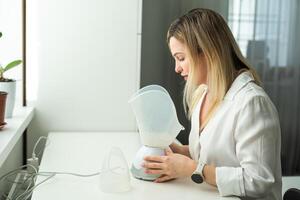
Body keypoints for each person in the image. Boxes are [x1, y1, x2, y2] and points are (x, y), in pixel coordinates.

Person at [142, 8, 282, 200]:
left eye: (181, 58)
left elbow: (258, 181)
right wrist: (178, 152)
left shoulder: (252, 103)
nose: (177, 68)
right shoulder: (203, 94)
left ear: (207, 52)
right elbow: (211, 155)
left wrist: (192, 169)